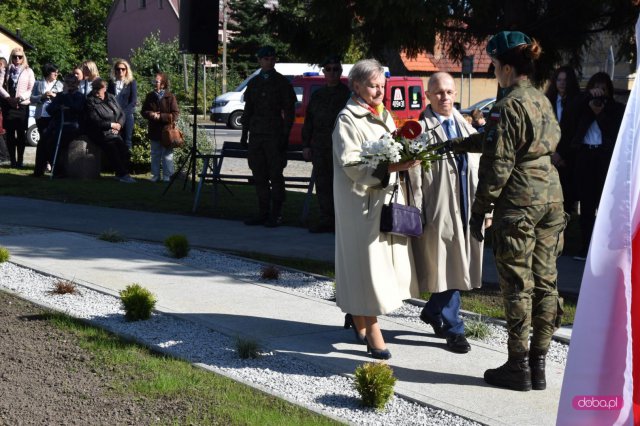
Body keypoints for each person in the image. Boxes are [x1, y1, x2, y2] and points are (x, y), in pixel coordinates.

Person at [450, 31, 566, 391]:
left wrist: (479, 209)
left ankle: (518, 367)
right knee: (546, 283)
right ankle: (538, 363)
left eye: (495, 66)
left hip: (518, 201)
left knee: (518, 285)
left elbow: (499, 163)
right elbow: (513, 141)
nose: (494, 73)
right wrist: (454, 142)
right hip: (552, 197)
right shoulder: (540, 100)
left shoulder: (507, 105)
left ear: (506, 67)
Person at [332, 59, 420, 360]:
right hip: (359, 203)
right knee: (365, 267)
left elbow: (392, 146)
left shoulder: (384, 113)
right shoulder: (348, 118)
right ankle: (372, 330)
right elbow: (352, 165)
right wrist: (394, 165)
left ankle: (359, 318)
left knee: (372, 267)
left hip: (381, 202)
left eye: (382, 85)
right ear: (355, 85)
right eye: (372, 85)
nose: (379, 90)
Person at [409, 72, 487, 354]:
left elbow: (479, 170)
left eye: (450, 92)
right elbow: (414, 175)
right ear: (428, 96)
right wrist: (418, 210)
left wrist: (485, 207)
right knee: (450, 264)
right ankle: (454, 329)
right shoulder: (419, 130)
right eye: (439, 92)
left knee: (458, 264)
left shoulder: (466, 129)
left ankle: (433, 310)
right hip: (438, 207)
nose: (445, 97)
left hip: (467, 205)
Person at [567, 72, 624, 260]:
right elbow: (571, 113)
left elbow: (614, 132)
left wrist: (600, 114)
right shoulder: (583, 106)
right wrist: (587, 99)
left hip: (604, 157)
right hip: (585, 156)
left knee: (605, 205)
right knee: (587, 204)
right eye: (596, 89)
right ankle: (586, 246)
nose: (599, 95)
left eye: (603, 90)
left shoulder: (614, 109)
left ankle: (606, 248)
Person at [240, 46, 297, 228]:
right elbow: (248, 110)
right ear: (260, 60)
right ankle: (263, 212)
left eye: (272, 59)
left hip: (274, 135)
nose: (269, 61)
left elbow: (289, 112)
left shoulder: (281, 83)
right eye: (266, 59)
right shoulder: (254, 83)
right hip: (256, 136)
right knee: (259, 175)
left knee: (275, 175)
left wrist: (285, 135)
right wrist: (244, 134)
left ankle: (276, 213)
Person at [301, 55, 350, 233]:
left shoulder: (347, 95)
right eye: (328, 69)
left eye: (335, 69)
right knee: (322, 185)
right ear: (323, 72)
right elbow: (309, 122)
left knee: (342, 185)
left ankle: (341, 222)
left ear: (341, 71)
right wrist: (306, 145)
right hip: (320, 147)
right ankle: (326, 219)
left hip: (341, 148)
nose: (332, 72)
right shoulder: (317, 95)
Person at [84, 78, 135, 183]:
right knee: (112, 147)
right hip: (99, 132)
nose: (95, 91)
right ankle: (122, 174)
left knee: (124, 149)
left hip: (114, 131)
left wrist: (119, 125)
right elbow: (95, 120)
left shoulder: (111, 97)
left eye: (98, 88)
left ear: (105, 88)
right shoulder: (90, 101)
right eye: (94, 88)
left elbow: (121, 113)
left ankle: (121, 173)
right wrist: (112, 125)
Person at [545, 66, 581, 215]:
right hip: (550, 156)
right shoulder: (548, 101)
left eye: (565, 80)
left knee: (567, 196)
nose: (562, 83)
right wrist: (552, 154)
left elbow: (574, 132)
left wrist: (562, 155)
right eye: (559, 80)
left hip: (568, 157)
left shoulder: (576, 102)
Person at [45, 74, 87, 177]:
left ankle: (59, 171)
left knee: (58, 142)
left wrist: (67, 99)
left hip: (73, 125)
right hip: (59, 125)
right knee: (45, 142)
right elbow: (49, 109)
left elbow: (76, 108)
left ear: (77, 84)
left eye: (72, 83)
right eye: (67, 82)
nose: (70, 85)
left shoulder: (80, 96)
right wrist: (60, 107)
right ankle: (41, 170)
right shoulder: (60, 95)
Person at [0, 47, 35, 168]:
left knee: (21, 134)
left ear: (23, 57)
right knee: (9, 134)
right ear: (11, 57)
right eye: (15, 56)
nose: (17, 59)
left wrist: (20, 98)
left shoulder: (28, 71)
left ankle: (20, 160)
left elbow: (31, 88)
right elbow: (0, 86)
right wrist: (8, 98)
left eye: (20, 56)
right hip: (9, 105)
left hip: (22, 105)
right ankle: (12, 161)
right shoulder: (6, 70)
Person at [141, 72, 179, 182]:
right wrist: (151, 114)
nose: (154, 83)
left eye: (156, 81)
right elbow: (143, 112)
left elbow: (175, 114)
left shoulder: (170, 97)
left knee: (167, 155)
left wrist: (161, 116)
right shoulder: (150, 96)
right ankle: (155, 176)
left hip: (167, 131)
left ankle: (167, 176)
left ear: (163, 84)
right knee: (155, 154)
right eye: (154, 81)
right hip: (154, 130)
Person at [31, 63, 63, 176]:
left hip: (53, 116)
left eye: (57, 72)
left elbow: (62, 98)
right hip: (41, 116)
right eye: (54, 71)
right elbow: (32, 98)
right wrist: (42, 97)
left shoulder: (59, 84)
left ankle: (41, 169)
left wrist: (54, 96)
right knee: (45, 140)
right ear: (48, 72)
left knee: (45, 141)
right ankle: (51, 169)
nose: (56, 74)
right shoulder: (38, 83)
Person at [108, 59, 137, 150]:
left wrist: (123, 114)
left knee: (127, 141)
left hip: (127, 115)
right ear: (115, 70)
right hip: (114, 115)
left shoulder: (131, 82)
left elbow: (133, 101)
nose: (120, 71)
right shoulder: (111, 83)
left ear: (126, 70)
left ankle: (128, 162)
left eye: (123, 69)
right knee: (114, 139)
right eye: (118, 69)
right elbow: (108, 99)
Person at [0, 57, 9, 165]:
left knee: (1, 133)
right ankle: (6, 156)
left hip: (2, 107)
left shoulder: (4, 76)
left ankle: (4, 156)